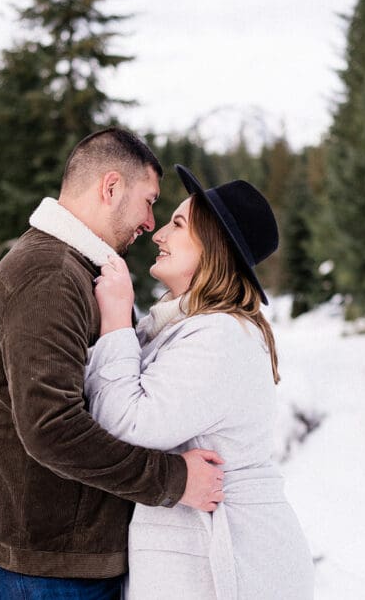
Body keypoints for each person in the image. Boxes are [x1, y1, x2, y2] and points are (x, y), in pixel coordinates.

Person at [0, 129, 227, 600]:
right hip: (41, 569)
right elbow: (50, 428)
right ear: (110, 187)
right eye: (148, 201)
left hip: (59, 562)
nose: (150, 222)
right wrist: (173, 479)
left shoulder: (81, 272)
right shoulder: (50, 275)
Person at [88, 165, 315, 599]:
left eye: (177, 224)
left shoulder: (221, 336)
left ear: (214, 248)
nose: (158, 235)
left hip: (229, 560)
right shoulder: (186, 328)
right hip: (201, 553)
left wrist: (116, 321)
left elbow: (125, 424)